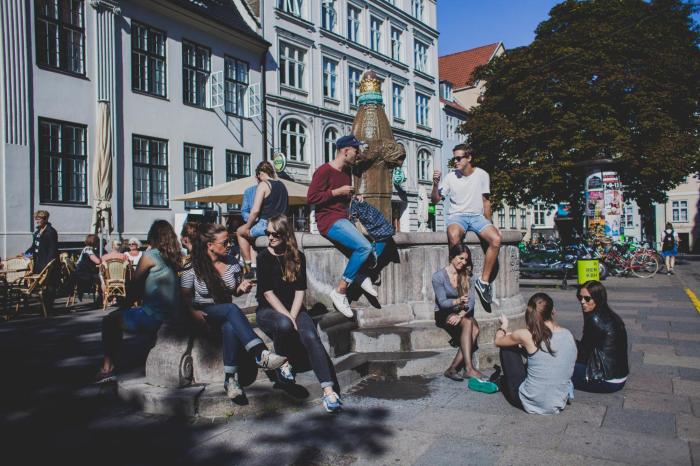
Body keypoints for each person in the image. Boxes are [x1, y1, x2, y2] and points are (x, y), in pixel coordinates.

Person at [181, 223, 287, 400]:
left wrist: (241, 288)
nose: (229, 245)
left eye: (230, 240)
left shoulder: (232, 263)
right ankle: (260, 353)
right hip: (203, 313)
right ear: (210, 245)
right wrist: (194, 314)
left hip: (225, 313)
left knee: (230, 326)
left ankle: (230, 380)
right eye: (225, 242)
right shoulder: (193, 266)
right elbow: (183, 297)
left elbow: (234, 291)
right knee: (231, 309)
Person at [255, 215, 342, 413]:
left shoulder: (297, 256)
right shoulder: (263, 257)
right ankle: (283, 364)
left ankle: (329, 391)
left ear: (286, 235)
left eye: (275, 234)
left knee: (311, 336)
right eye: (267, 233)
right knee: (284, 324)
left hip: (294, 308)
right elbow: (267, 294)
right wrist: (288, 318)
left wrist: (293, 316)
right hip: (268, 310)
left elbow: (300, 291)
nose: (270, 237)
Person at [307, 135, 384, 318]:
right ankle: (340, 291)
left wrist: (354, 197)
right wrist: (337, 191)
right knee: (364, 247)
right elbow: (311, 198)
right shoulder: (323, 171)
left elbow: (342, 199)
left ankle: (359, 273)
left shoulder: (346, 172)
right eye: (356, 150)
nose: (357, 154)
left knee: (383, 237)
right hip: (328, 221)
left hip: (344, 219)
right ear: (345, 150)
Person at [96, 220, 182, 383]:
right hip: (174, 313)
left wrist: (124, 304)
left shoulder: (150, 256)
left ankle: (107, 368)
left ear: (153, 236)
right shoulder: (173, 257)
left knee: (109, 321)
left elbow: (134, 283)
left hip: (155, 316)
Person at [431, 144, 502, 307]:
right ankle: (457, 276)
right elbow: (435, 200)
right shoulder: (450, 177)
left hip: (477, 217)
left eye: (458, 158)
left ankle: (483, 282)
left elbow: (486, 202)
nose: (455, 161)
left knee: (496, 239)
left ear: (469, 158)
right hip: (458, 216)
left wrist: (490, 224)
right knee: (453, 234)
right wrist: (435, 184)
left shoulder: (482, 175)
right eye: (454, 159)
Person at [494, 293, 577, 414]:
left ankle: (505, 382)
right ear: (553, 311)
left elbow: (498, 341)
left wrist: (503, 326)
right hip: (558, 401)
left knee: (507, 346)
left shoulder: (526, 334)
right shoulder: (568, 335)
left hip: (529, 401)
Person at [432, 244, 483, 381]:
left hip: (462, 312)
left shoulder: (468, 275)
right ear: (451, 257)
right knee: (468, 324)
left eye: (466, 260)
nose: (464, 262)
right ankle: (469, 368)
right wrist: (457, 301)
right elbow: (442, 303)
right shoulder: (438, 277)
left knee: (475, 330)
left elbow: (471, 302)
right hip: (444, 313)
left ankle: (452, 369)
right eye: (461, 258)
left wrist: (460, 315)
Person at [573, 280, 628, 393]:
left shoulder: (595, 320)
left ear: (598, 298)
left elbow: (584, 351)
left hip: (604, 379)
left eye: (587, 298)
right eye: (580, 297)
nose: (582, 301)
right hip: (619, 376)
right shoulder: (611, 316)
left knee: (557, 368)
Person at [236, 161, 289, 280]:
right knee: (252, 240)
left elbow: (255, 210)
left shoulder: (264, 185)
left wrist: (248, 226)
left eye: (258, 176)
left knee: (240, 232)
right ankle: (255, 266)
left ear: (260, 174)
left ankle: (250, 268)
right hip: (282, 224)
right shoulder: (282, 185)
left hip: (266, 224)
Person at [73, 234, 102, 300]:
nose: (99, 243)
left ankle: (101, 297)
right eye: (98, 242)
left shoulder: (86, 248)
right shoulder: (88, 250)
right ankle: (102, 297)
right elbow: (98, 261)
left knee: (99, 278)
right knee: (101, 278)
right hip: (83, 274)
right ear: (95, 242)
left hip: (81, 272)